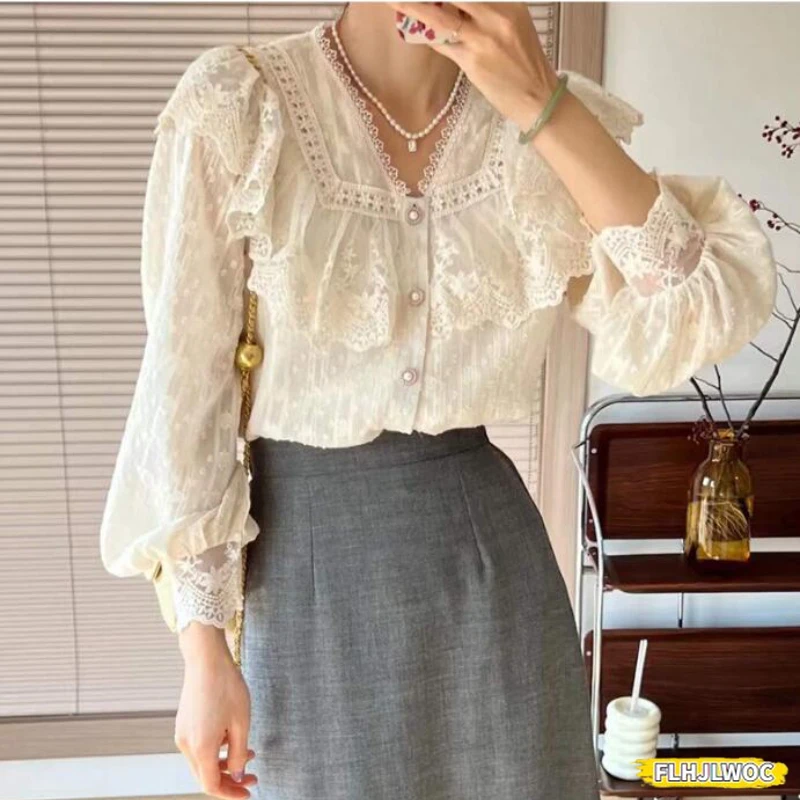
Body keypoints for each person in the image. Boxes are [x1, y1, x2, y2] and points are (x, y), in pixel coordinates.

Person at [99, 3, 777, 799]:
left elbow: (697, 300)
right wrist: (203, 650)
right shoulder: (241, 106)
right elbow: (184, 394)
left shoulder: (542, 120)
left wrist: (539, 101)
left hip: (490, 570)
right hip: (304, 571)